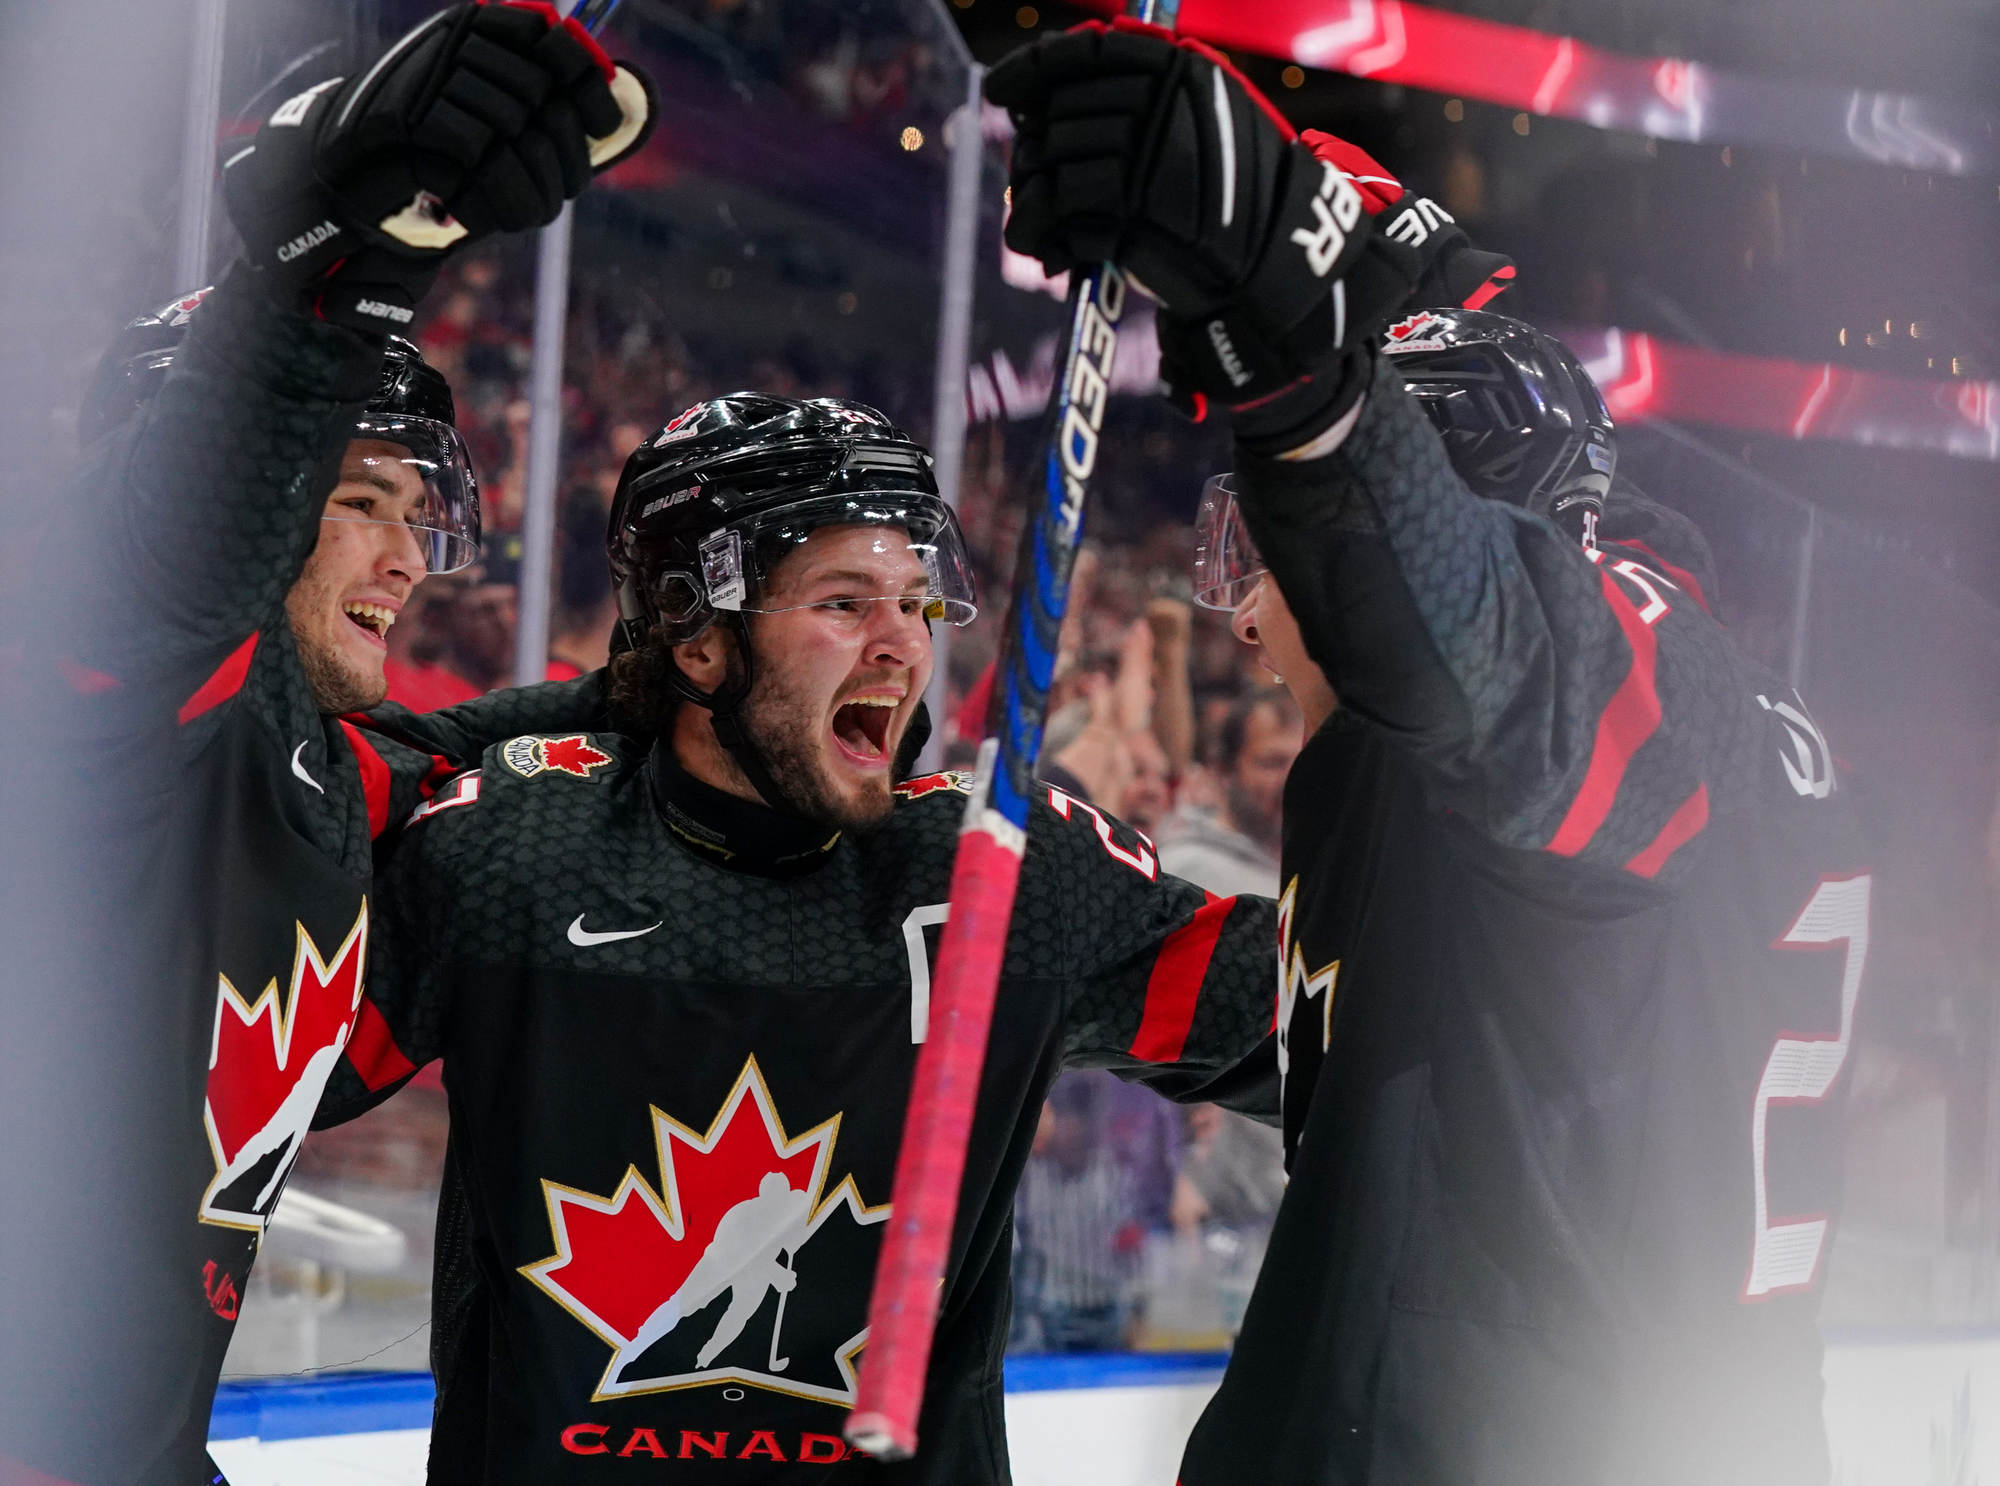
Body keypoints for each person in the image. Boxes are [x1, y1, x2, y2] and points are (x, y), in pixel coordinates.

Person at [991, 23, 1868, 1486]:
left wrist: (1293, 338)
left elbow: (1481, 627)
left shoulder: (1615, 671)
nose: (1247, 617)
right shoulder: (1649, 705)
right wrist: (1057, 913)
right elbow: (1397, 1039)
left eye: (1271, 548)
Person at [319, 393, 1280, 1481]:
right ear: (696, 634)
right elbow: (237, 1078)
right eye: (844, 601)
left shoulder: (1000, 877)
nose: (903, 645)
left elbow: (1328, 1030)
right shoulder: (512, 848)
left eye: (916, 601)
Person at [0, 9, 654, 1481]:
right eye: (361, 500)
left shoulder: (322, 763)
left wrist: (708, 670)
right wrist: (320, 283)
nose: (408, 558)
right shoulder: (95, 699)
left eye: (419, 512)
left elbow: (470, 738)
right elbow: (179, 551)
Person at [1156, 688, 1302, 901]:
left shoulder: (1315, 868)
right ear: (1224, 771)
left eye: (1302, 762)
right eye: (1272, 763)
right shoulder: (1186, 871)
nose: (1294, 778)